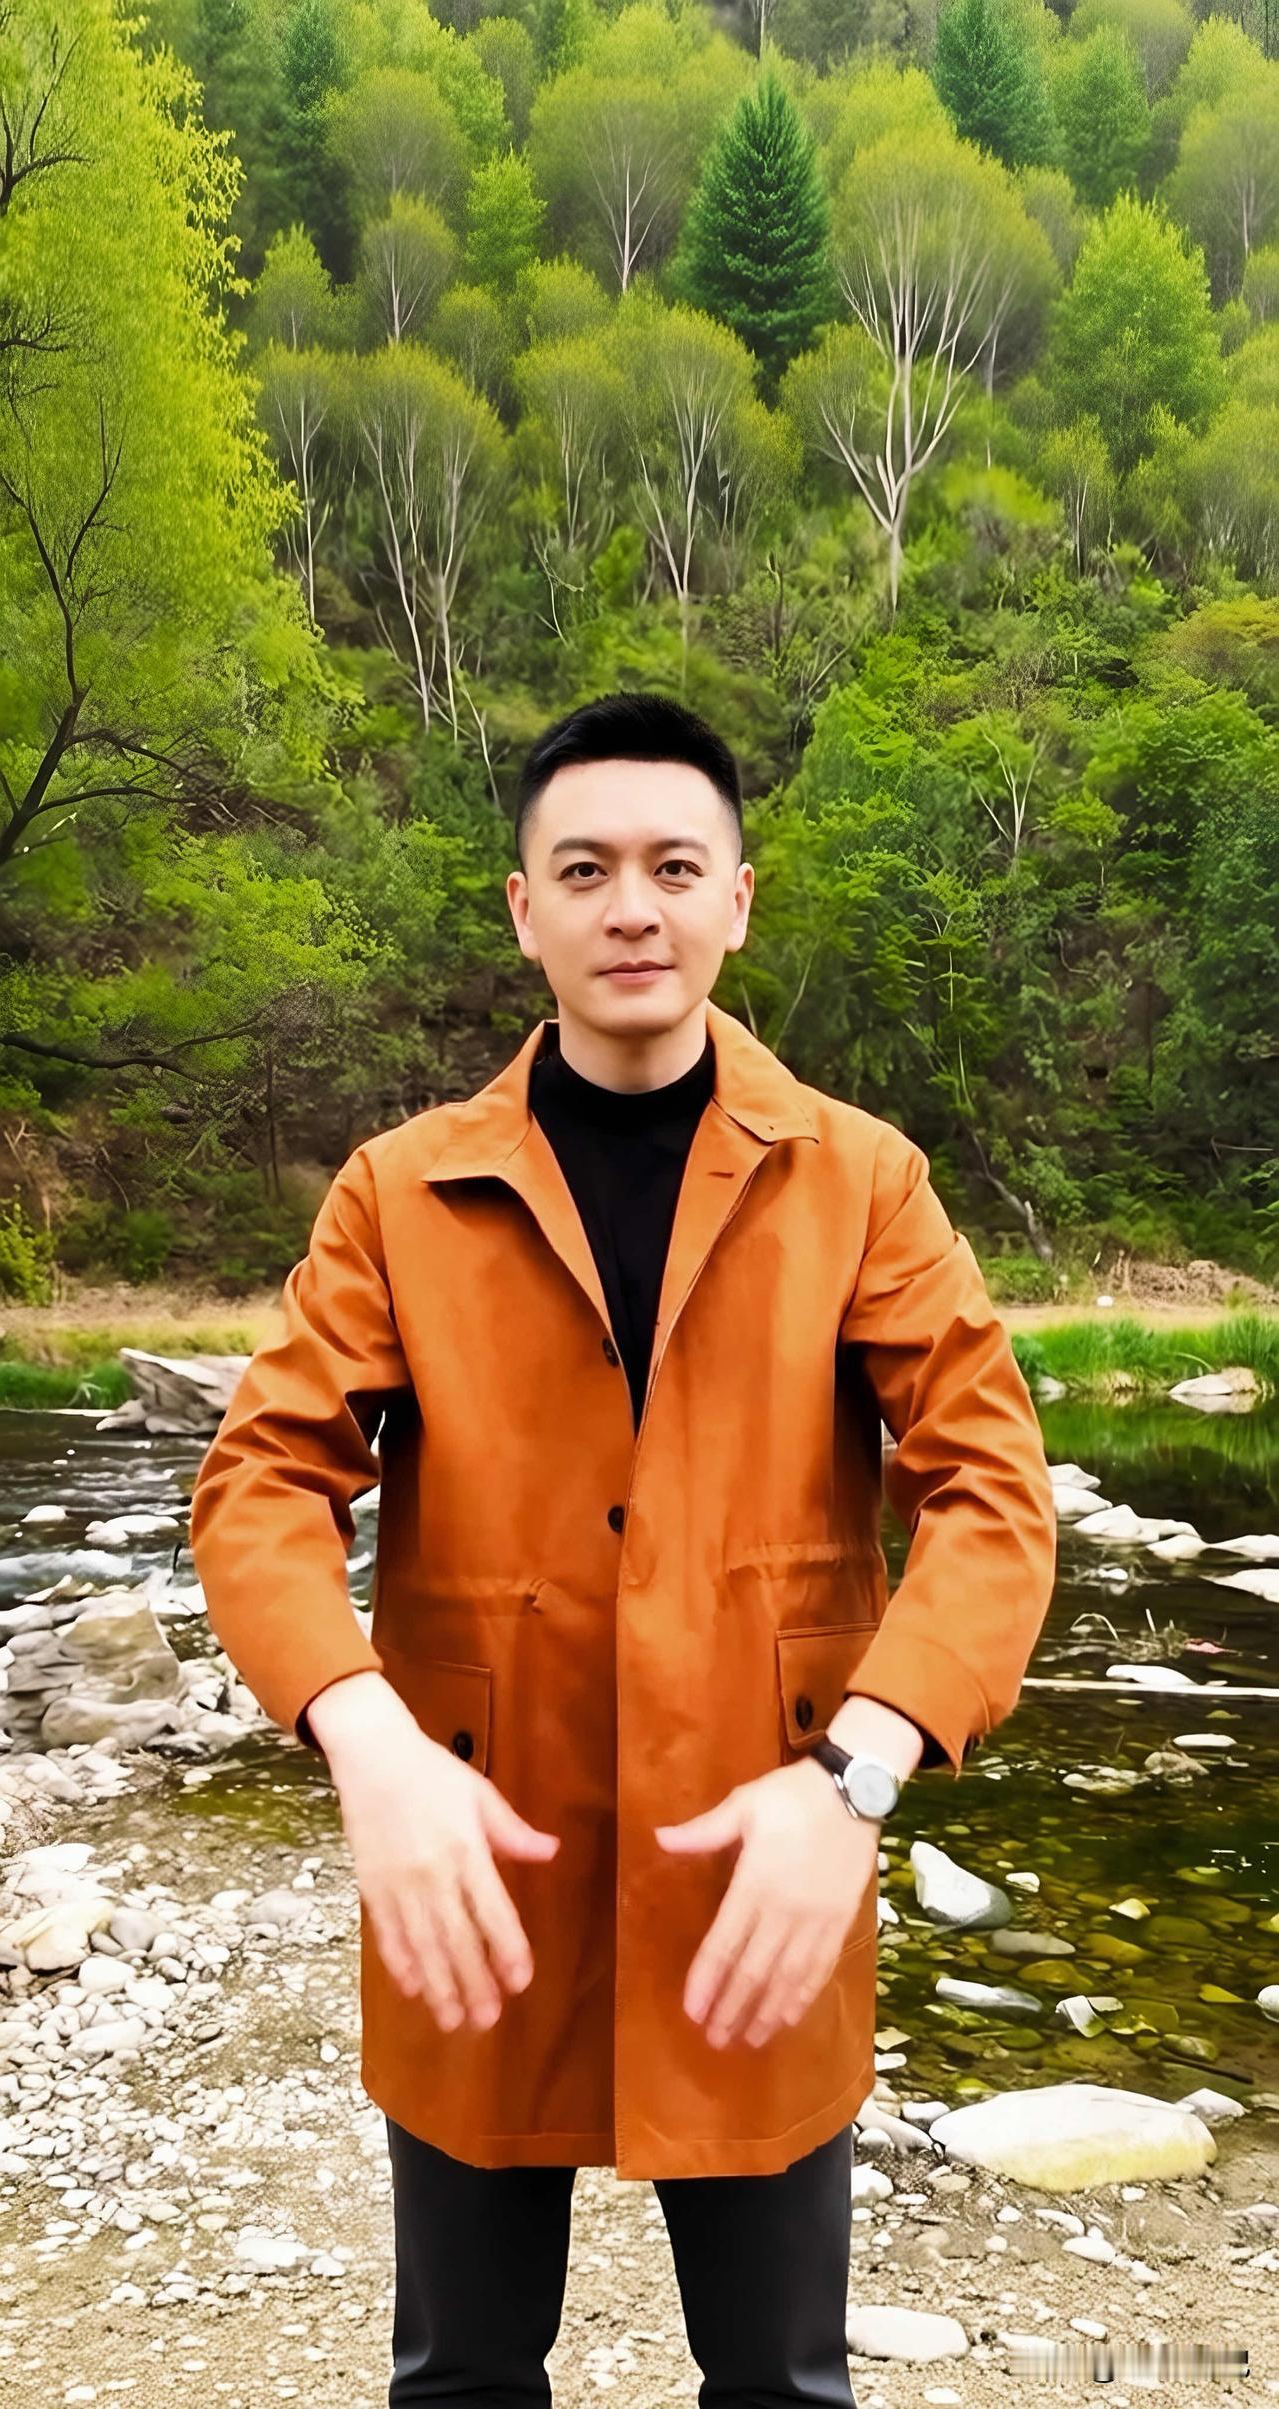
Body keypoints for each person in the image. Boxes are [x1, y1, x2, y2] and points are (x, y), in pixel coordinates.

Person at [188, 688, 1058, 2407]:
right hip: (474, 1859)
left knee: (781, 2380)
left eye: (673, 864)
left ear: (739, 897)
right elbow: (264, 1479)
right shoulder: (399, 1190)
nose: (631, 906)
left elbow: (991, 1490)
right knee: (461, 2375)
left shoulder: (862, 1180)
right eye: (584, 869)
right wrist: (366, 1743)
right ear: (526, 909)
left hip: (763, 1859)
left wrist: (857, 1778)